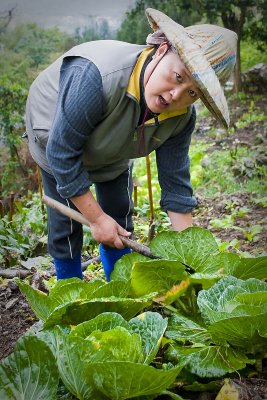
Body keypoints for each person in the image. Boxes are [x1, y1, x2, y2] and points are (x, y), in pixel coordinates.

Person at [25, 8, 237, 281]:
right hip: (53, 130)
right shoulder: (95, 77)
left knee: (118, 212)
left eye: (193, 92)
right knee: (65, 227)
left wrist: (192, 261)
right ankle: (69, 294)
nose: (176, 95)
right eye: (178, 77)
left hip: (112, 141)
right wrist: (97, 220)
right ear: (161, 51)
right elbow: (62, 154)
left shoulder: (181, 119)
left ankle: (122, 287)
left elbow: (176, 187)